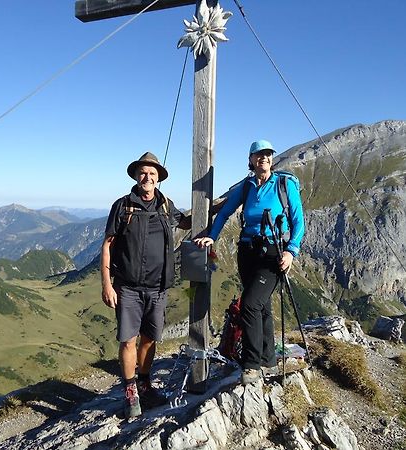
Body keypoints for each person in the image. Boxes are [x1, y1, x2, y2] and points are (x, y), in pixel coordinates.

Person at [194, 140, 305, 385]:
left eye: (267, 154)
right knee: (262, 306)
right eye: (259, 154)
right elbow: (224, 213)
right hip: (247, 251)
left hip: (273, 253)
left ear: (271, 159)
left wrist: (291, 252)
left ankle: (252, 364)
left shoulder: (284, 184)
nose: (263, 158)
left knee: (251, 305)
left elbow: (298, 221)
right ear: (251, 159)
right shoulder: (247, 186)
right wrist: (212, 237)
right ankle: (268, 357)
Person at [101, 151, 190, 418]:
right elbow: (107, 245)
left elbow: (185, 222)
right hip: (127, 286)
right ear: (136, 176)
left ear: (158, 178)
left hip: (158, 287)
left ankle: (144, 383)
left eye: (152, 173)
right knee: (128, 340)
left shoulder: (165, 205)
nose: (147, 177)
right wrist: (106, 283)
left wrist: (217, 206)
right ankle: (130, 392)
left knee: (150, 339)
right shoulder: (123, 205)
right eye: (143, 172)